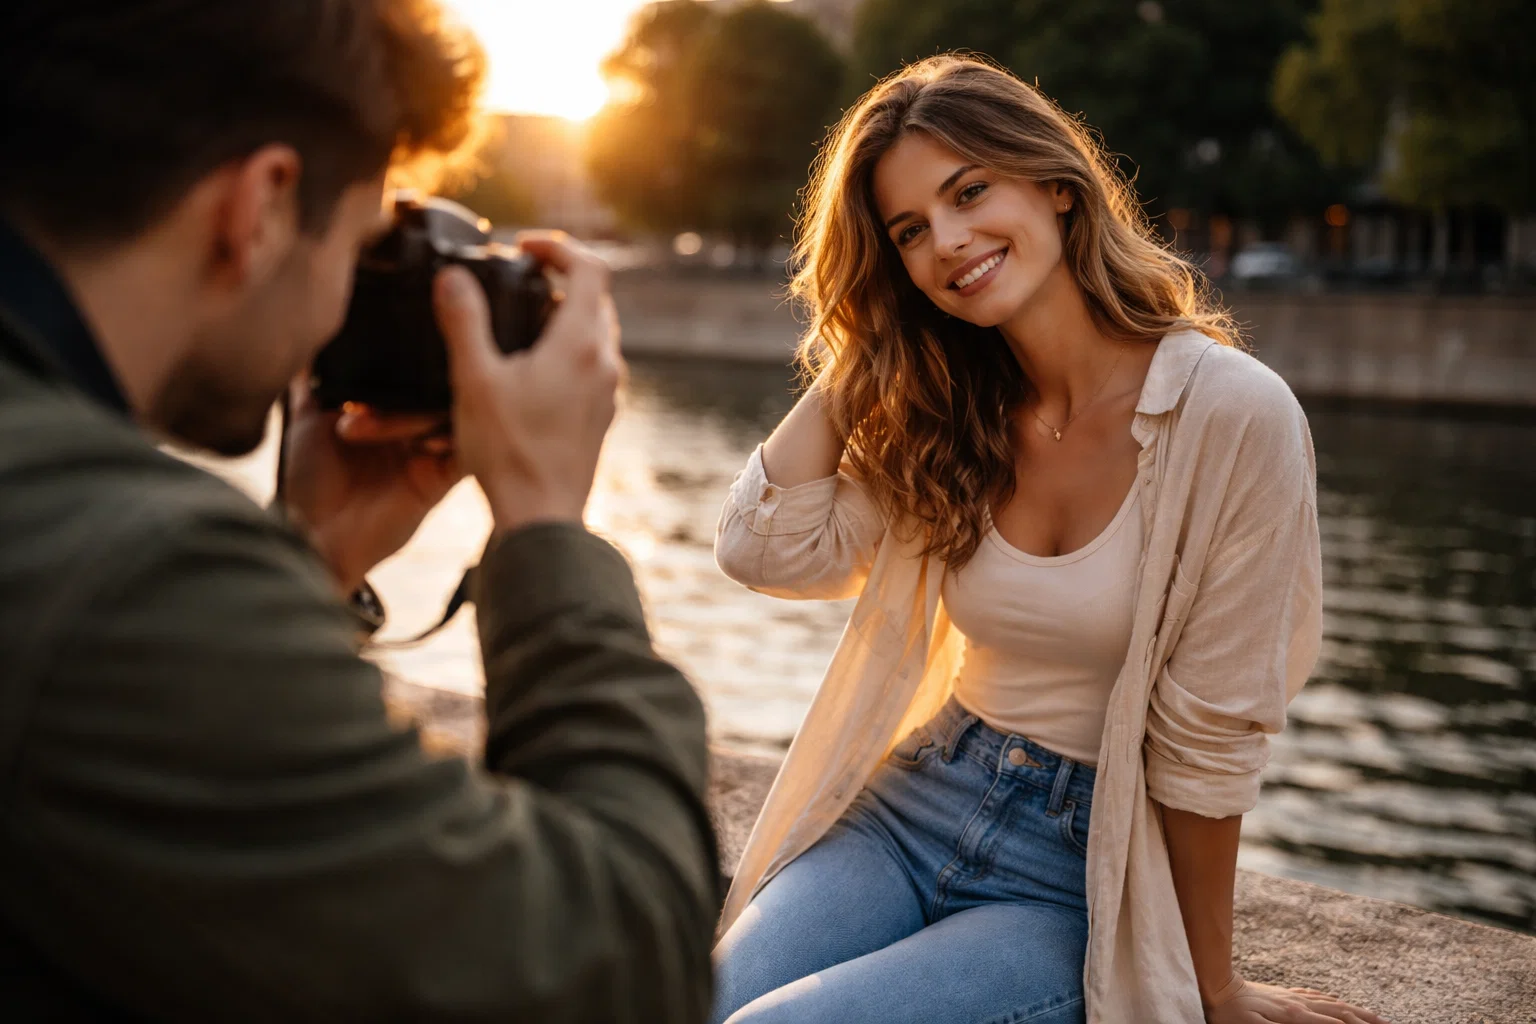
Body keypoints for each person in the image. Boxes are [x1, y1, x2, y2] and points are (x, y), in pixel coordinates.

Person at [0, 2, 717, 1020]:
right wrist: (547, 525)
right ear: (260, 204)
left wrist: (310, 557)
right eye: (359, 246)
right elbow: (618, 960)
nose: (343, 307)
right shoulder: (125, 570)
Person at [710, 56, 1387, 1024]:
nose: (948, 240)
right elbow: (768, 552)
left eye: (970, 192)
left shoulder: (1233, 415)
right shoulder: (951, 407)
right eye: (909, 231)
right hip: (914, 801)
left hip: (1076, 870)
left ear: (1058, 186)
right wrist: (868, 345)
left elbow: (1212, 740)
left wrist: (1213, 987)